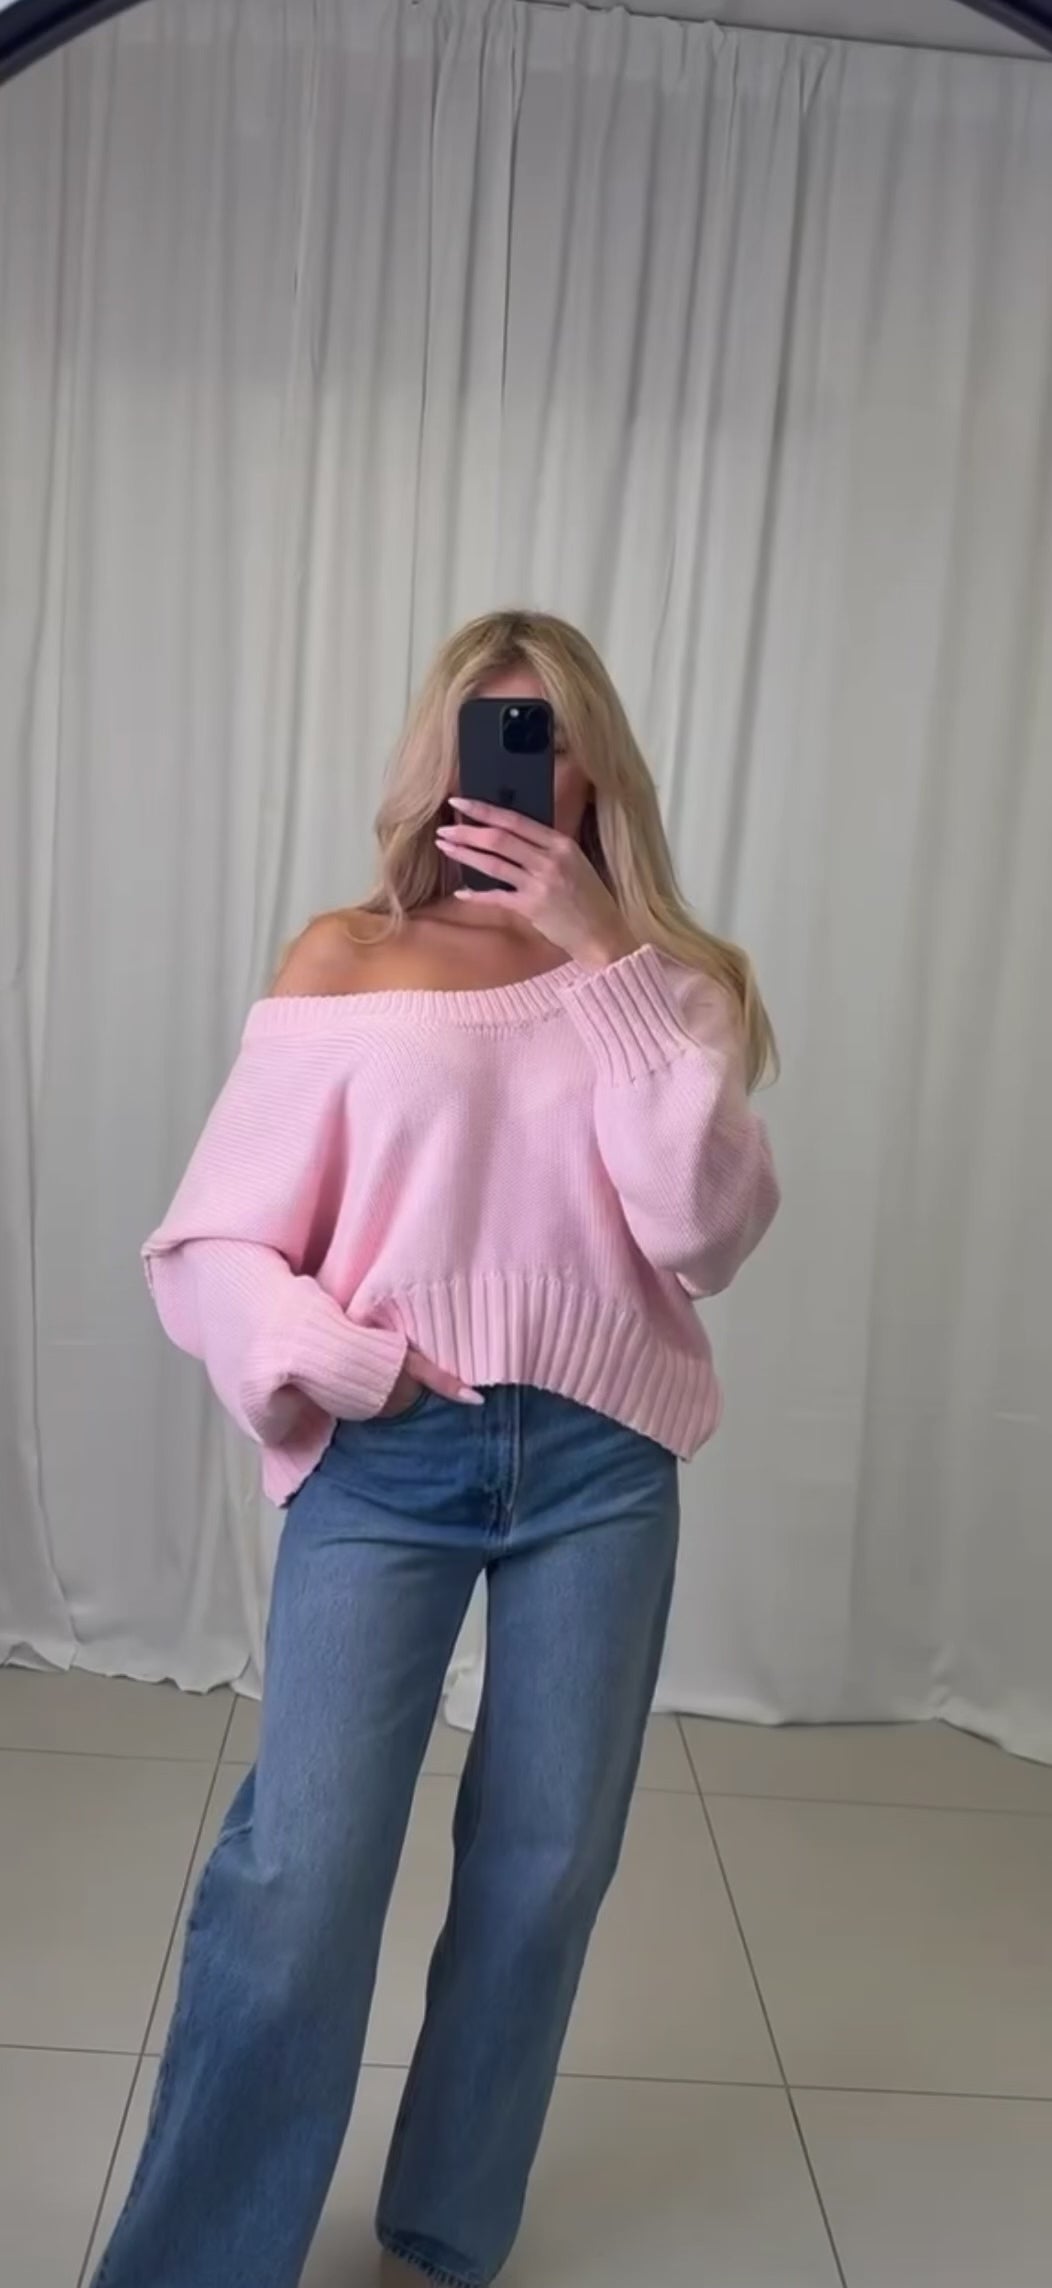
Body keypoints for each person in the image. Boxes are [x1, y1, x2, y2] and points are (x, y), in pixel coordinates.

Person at [92, 609, 779, 2288]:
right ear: (439, 759)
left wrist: (604, 959)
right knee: (302, 1879)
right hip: (388, 1456)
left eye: (550, 737)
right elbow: (208, 1243)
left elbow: (702, 1234)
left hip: (603, 1470)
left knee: (543, 1876)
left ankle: (443, 2242)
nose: (519, 770)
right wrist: (338, 1359)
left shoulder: (673, 984)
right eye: (491, 733)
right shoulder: (348, 958)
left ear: (598, 769)